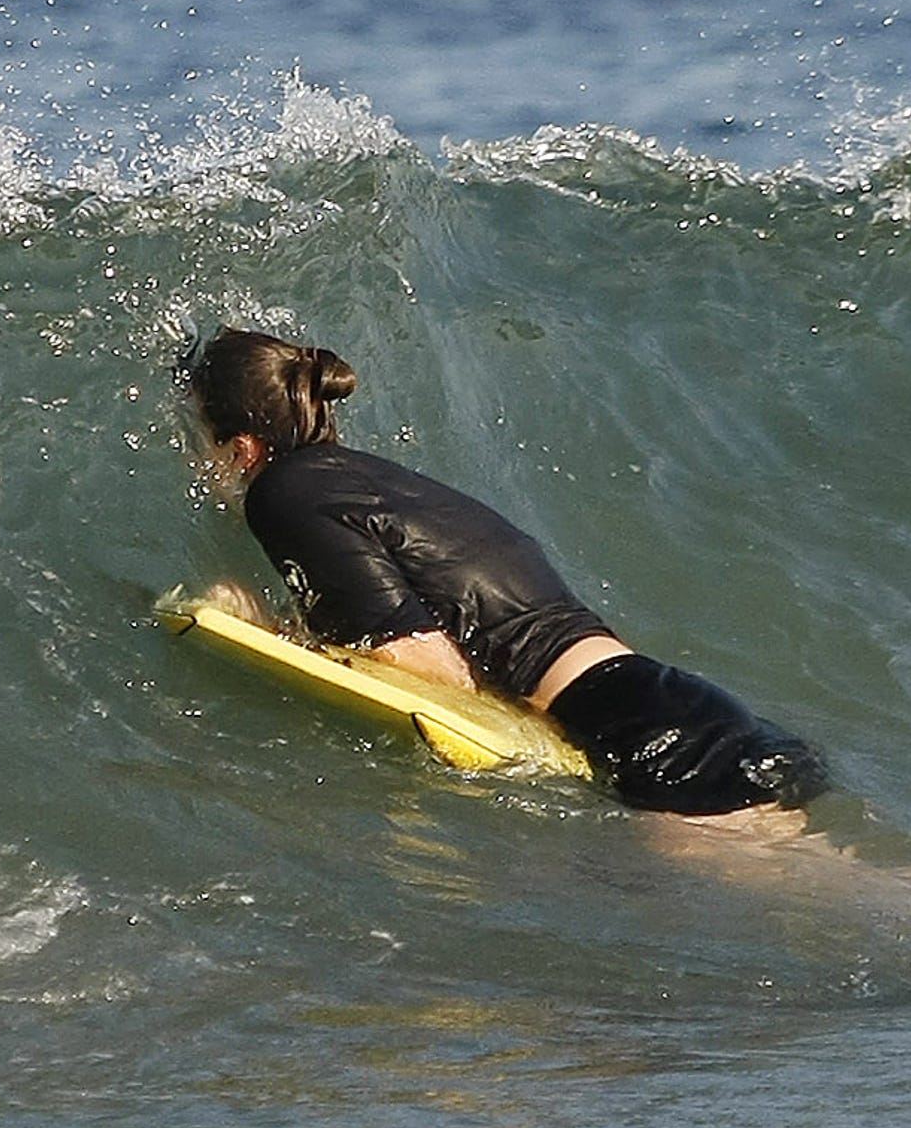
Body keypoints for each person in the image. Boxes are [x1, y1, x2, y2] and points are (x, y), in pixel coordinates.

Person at [187, 328, 827, 818]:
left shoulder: (284, 490)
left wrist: (272, 632)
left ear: (242, 447)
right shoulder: (361, 478)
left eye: (199, 437)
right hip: (674, 707)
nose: (197, 457)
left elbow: (426, 663)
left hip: (653, 742)